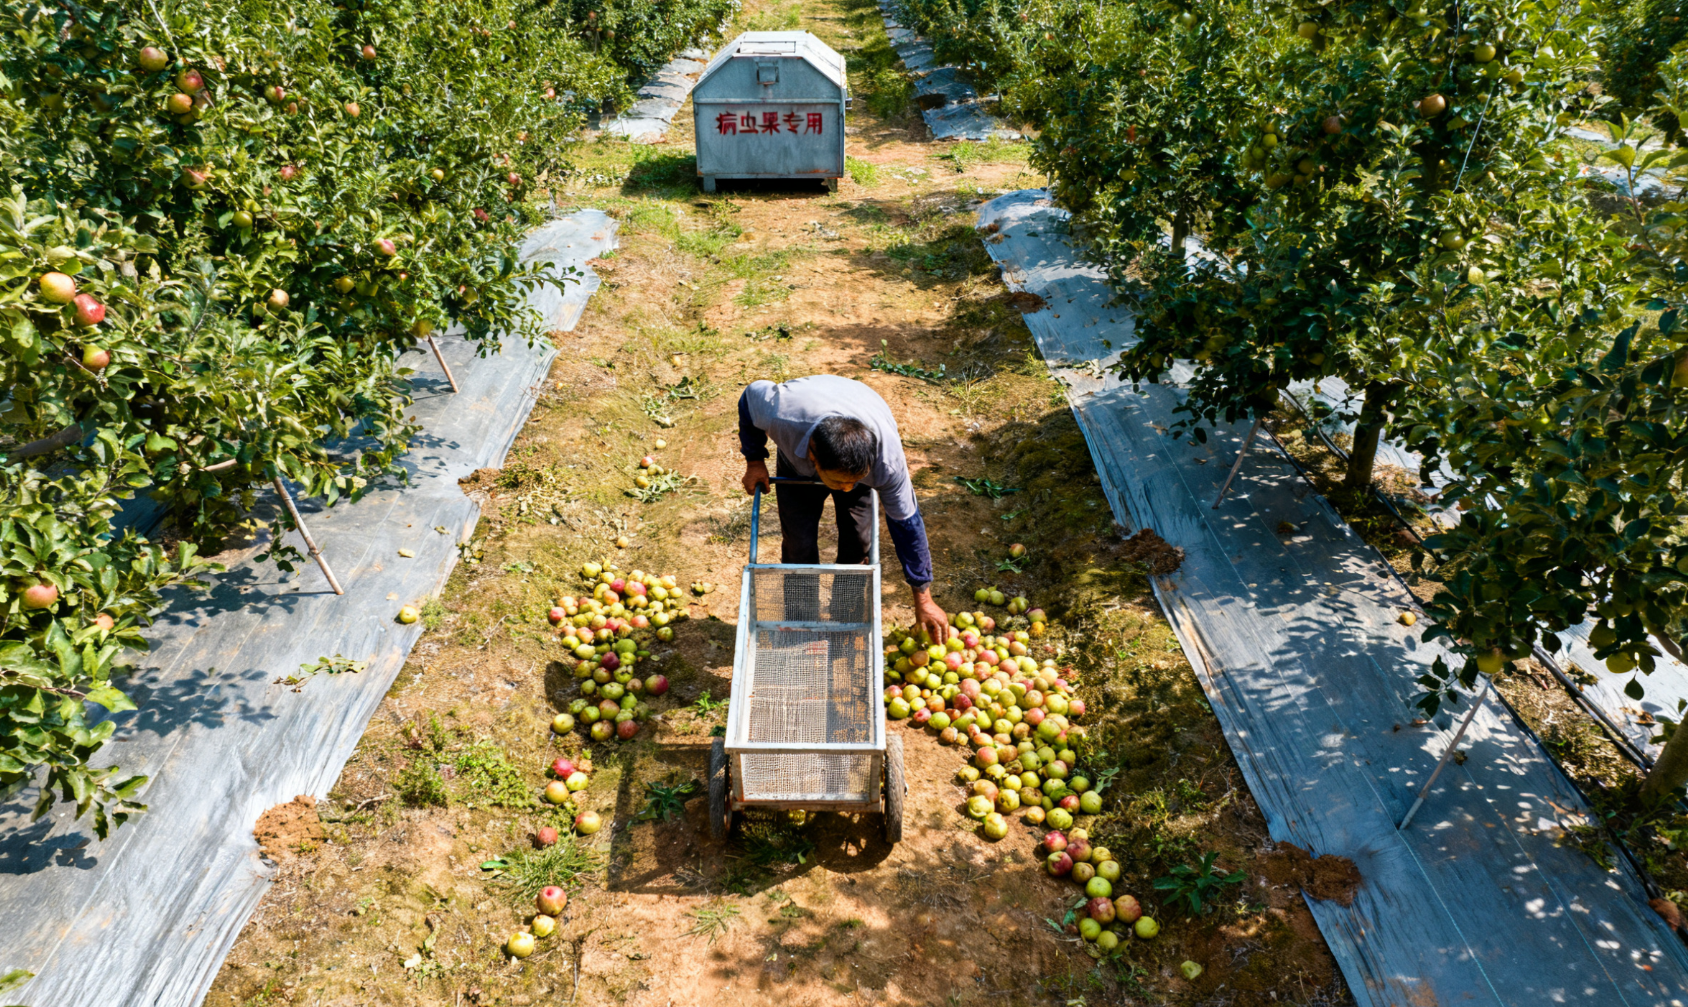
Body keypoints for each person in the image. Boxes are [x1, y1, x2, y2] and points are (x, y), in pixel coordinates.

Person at [738, 374, 949, 643]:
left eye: (855, 480)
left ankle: (844, 615)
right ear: (813, 457)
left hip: (859, 416)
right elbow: (750, 395)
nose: (847, 488)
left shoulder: (887, 463)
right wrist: (754, 459)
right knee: (799, 544)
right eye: (841, 481)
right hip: (797, 460)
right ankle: (802, 621)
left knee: (858, 542)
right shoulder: (781, 413)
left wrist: (923, 596)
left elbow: (907, 526)